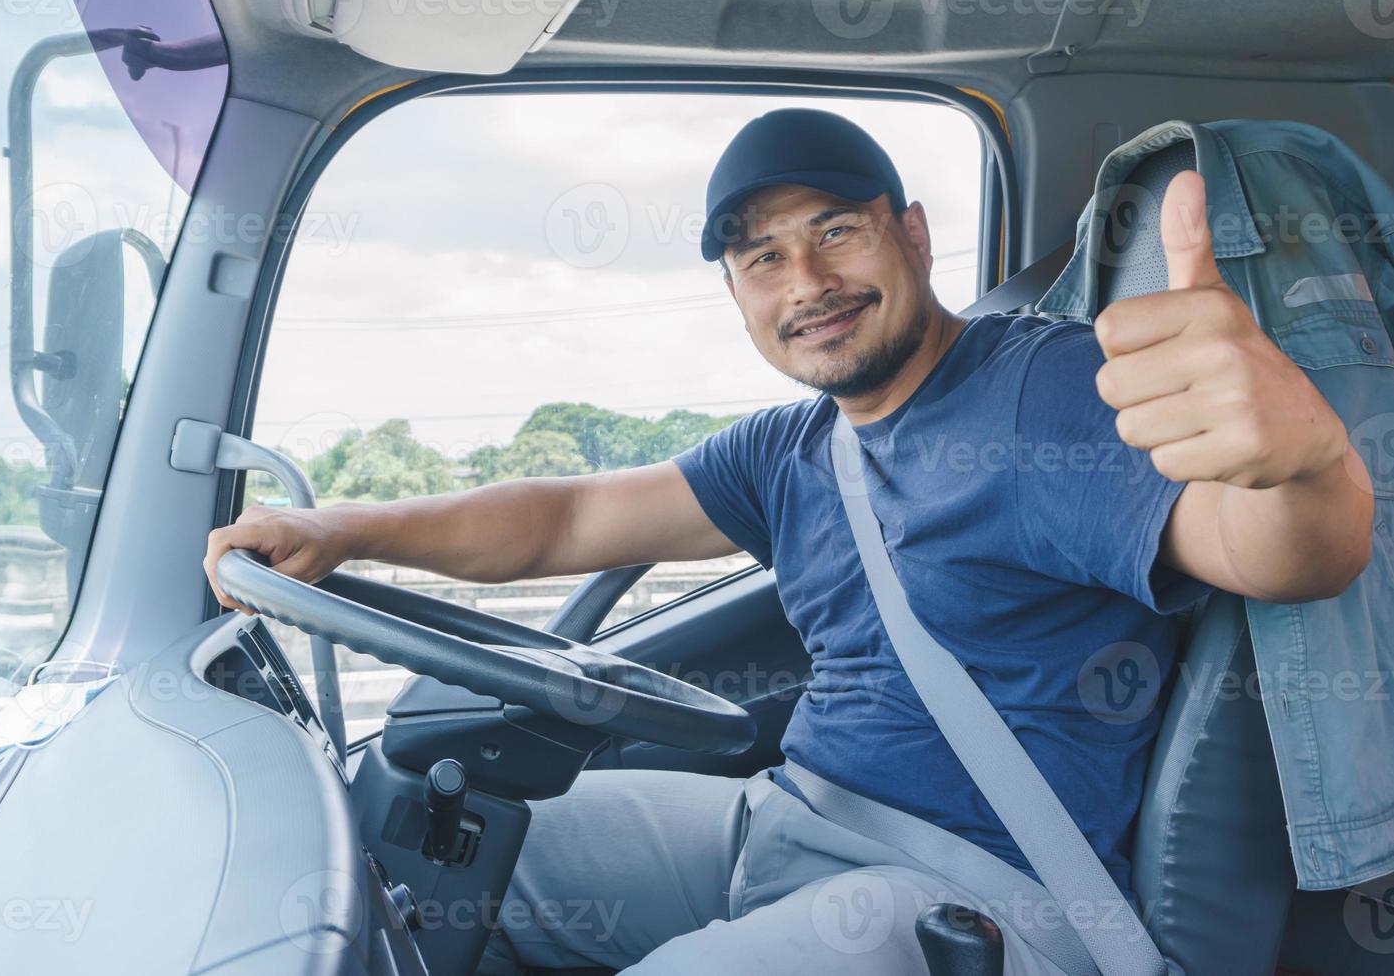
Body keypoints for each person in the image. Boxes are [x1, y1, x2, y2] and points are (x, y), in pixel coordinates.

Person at [203, 109, 1372, 974]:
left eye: (836, 231)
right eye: (763, 256)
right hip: (789, 820)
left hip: (980, 893)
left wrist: (1307, 466)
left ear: (911, 235)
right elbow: (565, 516)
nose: (805, 280)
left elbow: (1280, 552)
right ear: (736, 290)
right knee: (415, 859)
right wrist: (342, 525)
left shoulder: (1044, 395)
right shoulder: (794, 447)